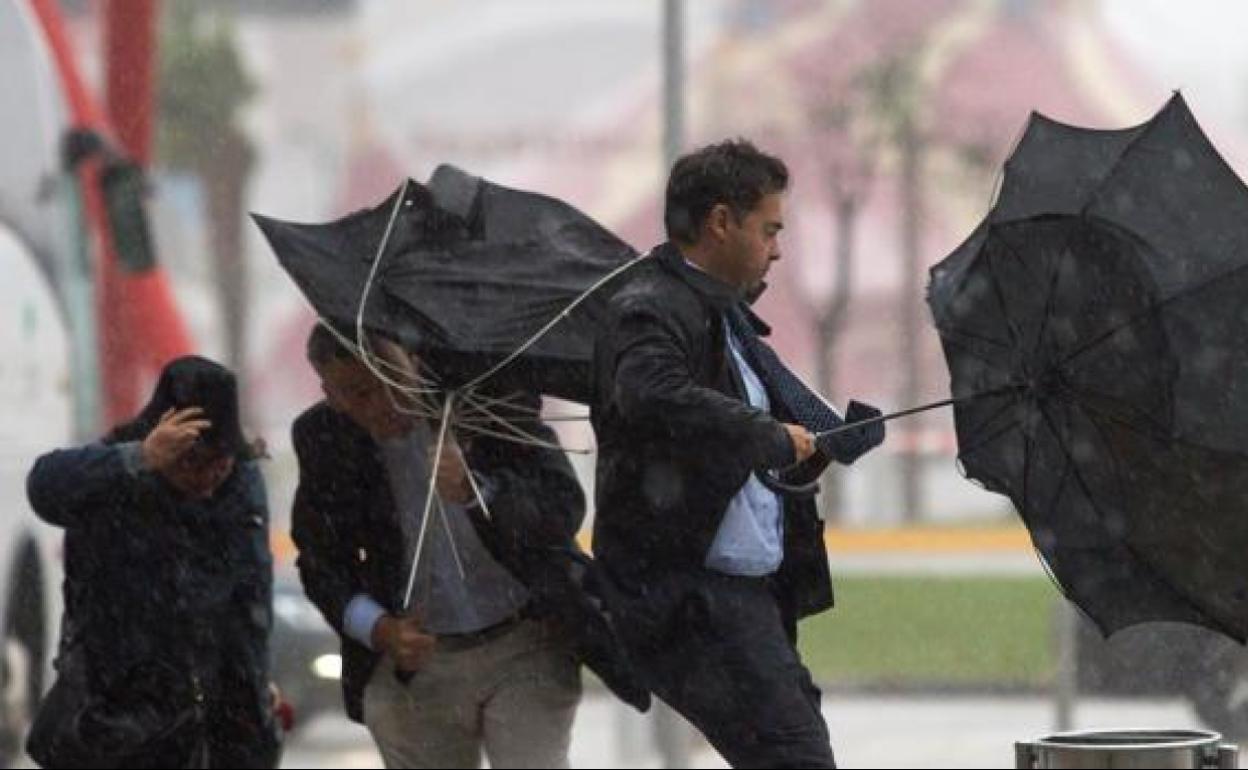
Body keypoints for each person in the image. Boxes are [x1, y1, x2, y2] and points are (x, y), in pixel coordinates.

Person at [591, 138, 886, 768]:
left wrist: (814, 448)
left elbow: (727, 457)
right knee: (797, 759)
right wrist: (768, 434)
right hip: (694, 600)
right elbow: (652, 395)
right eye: (769, 229)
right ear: (721, 222)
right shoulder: (649, 307)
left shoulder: (720, 316)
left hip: (744, 600)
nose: (777, 248)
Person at [291, 326, 643, 769]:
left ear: (413, 361)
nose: (384, 402)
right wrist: (378, 628)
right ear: (331, 394)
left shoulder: (485, 399)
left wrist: (479, 492)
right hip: (418, 660)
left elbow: (562, 503)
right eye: (359, 393)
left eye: (393, 380)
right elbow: (322, 560)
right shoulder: (326, 438)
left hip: (525, 639)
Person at [24, 356, 280, 769]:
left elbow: (251, 597)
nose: (208, 477)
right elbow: (44, 487)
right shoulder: (115, 475)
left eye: (221, 462)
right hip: (112, 709)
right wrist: (139, 459)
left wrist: (254, 693)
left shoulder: (241, 487)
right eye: (192, 462)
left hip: (209, 712)